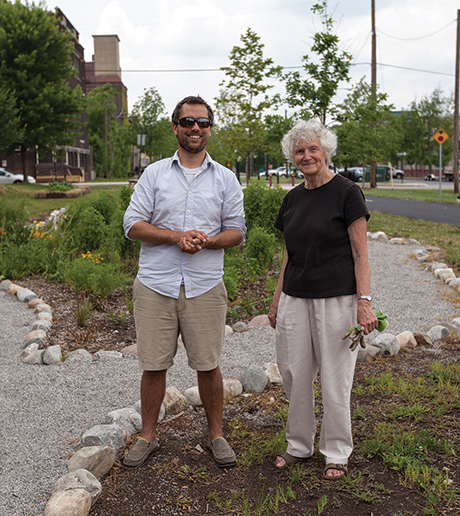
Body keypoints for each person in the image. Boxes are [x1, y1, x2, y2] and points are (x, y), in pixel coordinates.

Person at [122, 96, 246, 469]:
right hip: (156, 284)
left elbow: (237, 231)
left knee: (208, 365)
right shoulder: (154, 174)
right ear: (175, 127)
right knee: (153, 365)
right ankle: (148, 436)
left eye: (203, 122)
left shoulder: (225, 178)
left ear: (210, 129)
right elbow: (132, 225)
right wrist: (177, 237)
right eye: (188, 121)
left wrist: (208, 241)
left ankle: (216, 436)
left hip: (204, 284)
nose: (196, 128)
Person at [268, 119, 378, 480]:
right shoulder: (292, 198)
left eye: (313, 149)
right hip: (295, 298)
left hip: (337, 299)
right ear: (292, 157)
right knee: (294, 374)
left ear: (326, 151)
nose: (307, 156)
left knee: (335, 377)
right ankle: (299, 445)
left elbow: (360, 254)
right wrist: (276, 299)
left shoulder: (347, 193)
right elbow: (289, 254)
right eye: (299, 151)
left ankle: (336, 451)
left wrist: (364, 301)